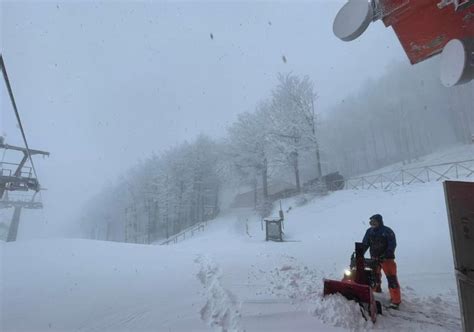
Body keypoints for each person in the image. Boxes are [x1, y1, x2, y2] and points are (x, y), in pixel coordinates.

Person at [362, 214, 401, 309]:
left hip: (387, 259)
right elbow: (365, 244)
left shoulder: (387, 231)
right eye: (371, 222)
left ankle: (396, 300)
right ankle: (376, 290)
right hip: (374, 259)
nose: (372, 224)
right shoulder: (369, 232)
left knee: (391, 279)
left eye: (374, 222)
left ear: (380, 222)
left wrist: (386, 254)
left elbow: (392, 245)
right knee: (374, 276)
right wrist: (359, 253)